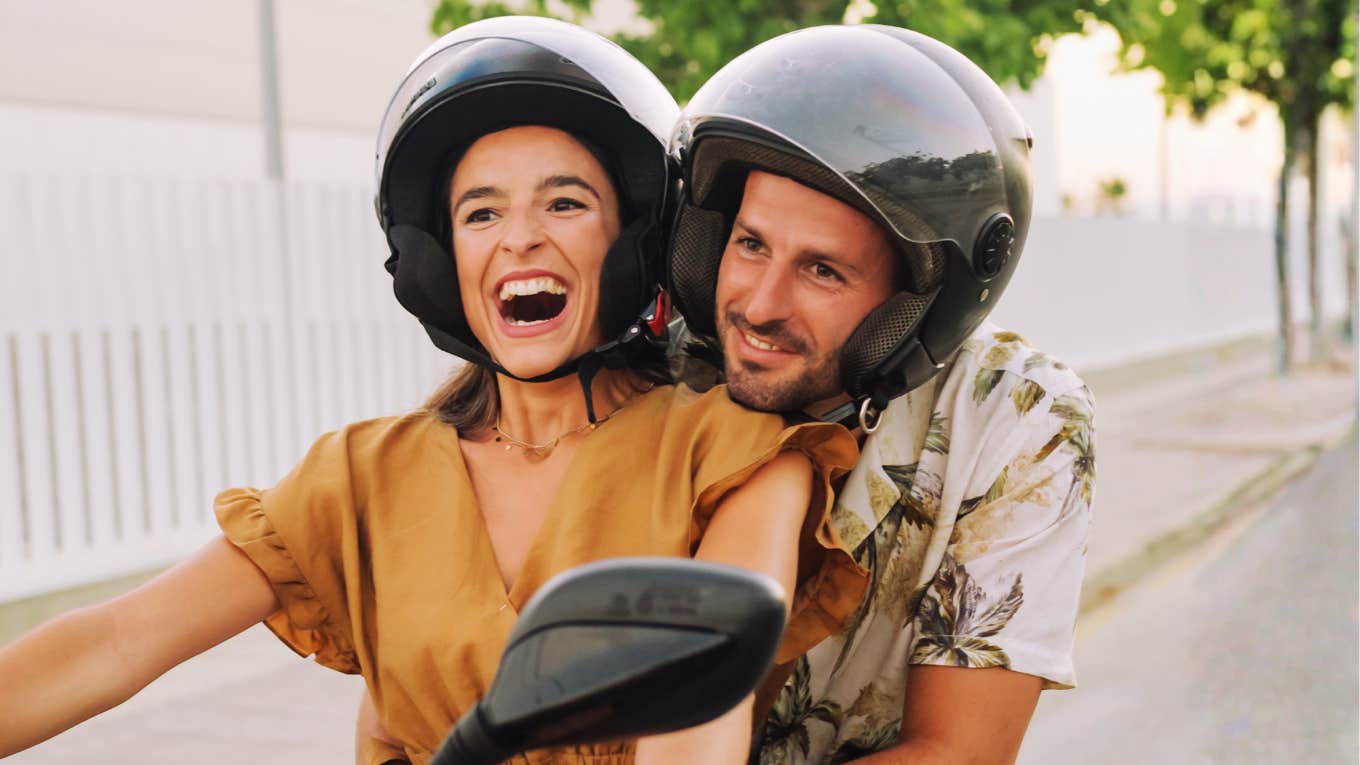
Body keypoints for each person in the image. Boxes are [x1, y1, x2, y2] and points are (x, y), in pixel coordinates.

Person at [0, 18, 866, 765]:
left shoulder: (737, 451)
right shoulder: (363, 477)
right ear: (443, 264)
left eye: (563, 204)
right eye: (481, 213)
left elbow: (697, 714)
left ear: (631, 242)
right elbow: (115, 641)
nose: (520, 238)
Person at [666, 25, 1096, 764]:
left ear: (913, 309)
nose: (760, 305)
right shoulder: (656, 371)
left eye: (823, 270)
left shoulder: (1012, 415)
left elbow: (956, 750)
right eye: (750, 243)